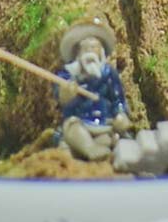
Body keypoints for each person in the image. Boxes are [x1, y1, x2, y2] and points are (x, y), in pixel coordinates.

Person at [54, 19, 132, 161]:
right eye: (85, 47)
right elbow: (61, 99)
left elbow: (118, 99)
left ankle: (96, 152)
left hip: (104, 123)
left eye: (94, 47)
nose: (89, 51)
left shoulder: (108, 73)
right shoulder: (68, 76)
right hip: (78, 122)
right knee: (72, 128)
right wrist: (67, 93)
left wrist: (121, 114)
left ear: (101, 52)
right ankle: (90, 150)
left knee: (108, 140)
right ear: (77, 52)